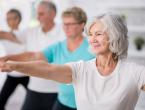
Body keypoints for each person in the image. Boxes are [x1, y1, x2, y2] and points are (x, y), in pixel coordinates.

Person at [1, 12, 145, 110]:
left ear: (115, 36)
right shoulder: (81, 69)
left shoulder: (134, 72)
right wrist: (14, 65)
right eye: (91, 34)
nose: (93, 39)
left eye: (99, 34)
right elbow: (47, 69)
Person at [0, 7, 94, 110]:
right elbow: (34, 56)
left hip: (86, 104)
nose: (66, 27)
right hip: (63, 102)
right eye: (64, 24)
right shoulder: (58, 47)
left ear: (82, 25)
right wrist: (7, 59)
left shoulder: (92, 47)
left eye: (70, 24)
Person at [0, 1, 65, 110]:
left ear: (53, 14)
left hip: (56, 90)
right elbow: (10, 35)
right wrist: (6, 58)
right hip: (34, 89)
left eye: (41, 14)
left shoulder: (64, 31)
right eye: (37, 14)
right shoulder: (30, 31)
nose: (38, 17)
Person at [0, 9, 29, 110]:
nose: (9, 21)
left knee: (34, 100)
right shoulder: (3, 35)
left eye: (12, 18)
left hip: (26, 74)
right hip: (12, 74)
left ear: (18, 19)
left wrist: (9, 36)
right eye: (7, 19)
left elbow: (15, 37)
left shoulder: (26, 33)